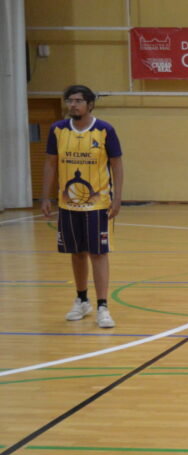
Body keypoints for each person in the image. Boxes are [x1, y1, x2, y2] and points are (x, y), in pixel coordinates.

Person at [41, 84, 123, 329]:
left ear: (90, 104)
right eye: (70, 100)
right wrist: (44, 196)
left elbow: (117, 165)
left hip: (97, 205)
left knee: (98, 253)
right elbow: (50, 164)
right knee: (76, 253)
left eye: (78, 101)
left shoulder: (105, 130)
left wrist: (118, 198)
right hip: (68, 205)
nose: (72, 105)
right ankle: (82, 299)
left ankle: (102, 306)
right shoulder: (57, 130)